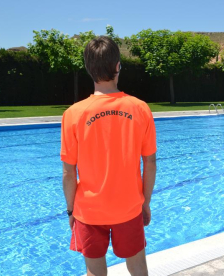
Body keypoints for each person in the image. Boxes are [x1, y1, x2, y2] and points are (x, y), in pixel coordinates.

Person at [61, 36, 157, 276]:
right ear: (117, 66)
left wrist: (71, 211)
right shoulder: (140, 108)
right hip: (128, 207)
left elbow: (68, 172)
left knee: (95, 272)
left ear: (88, 68)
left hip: (89, 211)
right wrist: (145, 202)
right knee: (138, 268)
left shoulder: (73, 114)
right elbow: (150, 163)